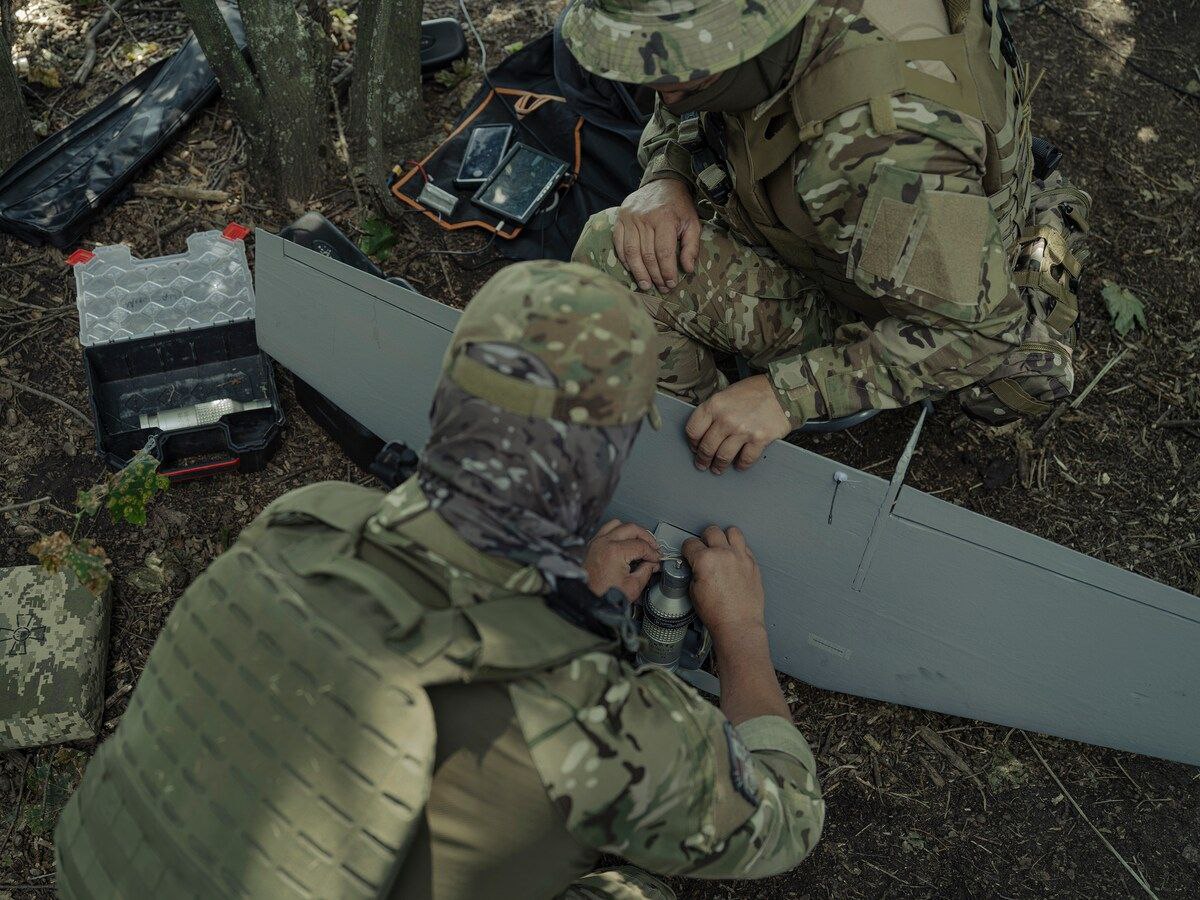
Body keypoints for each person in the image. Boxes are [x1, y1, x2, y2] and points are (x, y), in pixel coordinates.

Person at [55, 261, 823, 900]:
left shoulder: (305, 520)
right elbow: (787, 820)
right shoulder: (590, 715)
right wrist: (742, 632)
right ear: (607, 463)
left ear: (445, 400)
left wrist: (566, 597)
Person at [566, 0, 1091, 474]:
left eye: (668, 71)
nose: (646, 85)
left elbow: (979, 331)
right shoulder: (752, 34)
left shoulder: (883, 149)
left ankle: (700, 459)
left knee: (611, 262)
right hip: (894, 221)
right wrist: (667, 172)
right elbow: (684, 92)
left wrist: (783, 396)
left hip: (924, 293)